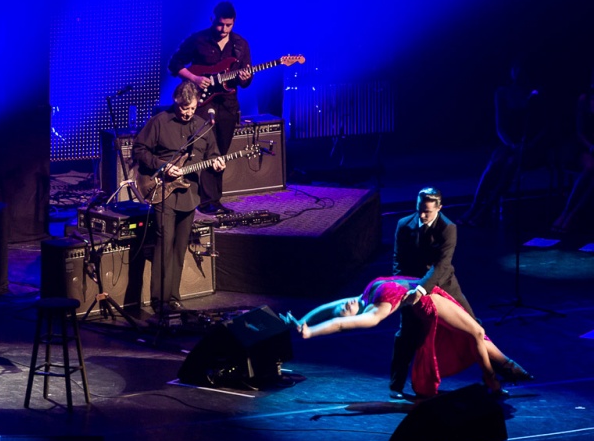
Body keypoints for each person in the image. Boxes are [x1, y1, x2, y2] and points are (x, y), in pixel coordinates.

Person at [281, 276, 533, 398]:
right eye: (344, 311)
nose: (344, 308)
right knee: (476, 332)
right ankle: (493, 384)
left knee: (475, 337)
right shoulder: (374, 312)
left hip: (435, 290)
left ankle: (508, 368)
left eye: (344, 305)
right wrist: (310, 332)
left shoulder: (362, 296)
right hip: (429, 301)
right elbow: (338, 324)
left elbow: (329, 308)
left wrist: (304, 320)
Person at [132, 81, 225, 312]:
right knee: (164, 244)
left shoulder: (203, 127)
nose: (188, 113)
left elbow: (213, 154)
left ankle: (173, 297)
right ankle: (159, 301)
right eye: (184, 109)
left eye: (192, 109)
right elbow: (139, 149)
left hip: (190, 195)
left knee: (180, 248)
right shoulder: (160, 122)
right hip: (163, 192)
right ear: (176, 102)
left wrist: (218, 163)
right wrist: (162, 166)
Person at [390, 187, 476, 400]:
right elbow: (397, 260)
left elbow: (441, 265)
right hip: (412, 287)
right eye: (420, 209)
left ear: (439, 208)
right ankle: (396, 386)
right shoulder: (404, 225)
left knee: (475, 329)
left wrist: (422, 288)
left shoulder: (448, 228)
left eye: (427, 211)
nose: (422, 215)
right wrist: (405, 287)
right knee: (407, 334)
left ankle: (499, 376)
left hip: (444, 285)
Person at [168, 1, 252, 215]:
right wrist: (194, 78)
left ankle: (215, 200)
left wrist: (245, 77)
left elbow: (245, 81)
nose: (223, 30)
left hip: (228, 104)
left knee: (221, 153)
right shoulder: (198, 40)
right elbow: (174, 64)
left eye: (228, 25)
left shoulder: (241, 45)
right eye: (220, 25)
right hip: (203, 103)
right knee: (204, 150)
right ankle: (205, 201)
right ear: (212, 20)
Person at [458, 62, 549, 226]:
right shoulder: (503, 92)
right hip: (510, 143)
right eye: (516, 70)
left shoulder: (535, 94)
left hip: (531, 145)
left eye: (522, 71)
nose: (519, 74)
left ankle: (487, 210)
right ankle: (475, 207)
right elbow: (499, 126)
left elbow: (545, 126)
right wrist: (511, 144)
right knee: (494, 163)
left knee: (510, 165)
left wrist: (529, 144)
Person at [551, 85, 594, 233]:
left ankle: (572, 215)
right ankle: (565, 212)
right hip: (583, 145)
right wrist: (590, 146)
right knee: (590, 167)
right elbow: (579, 131)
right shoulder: (584, 99)